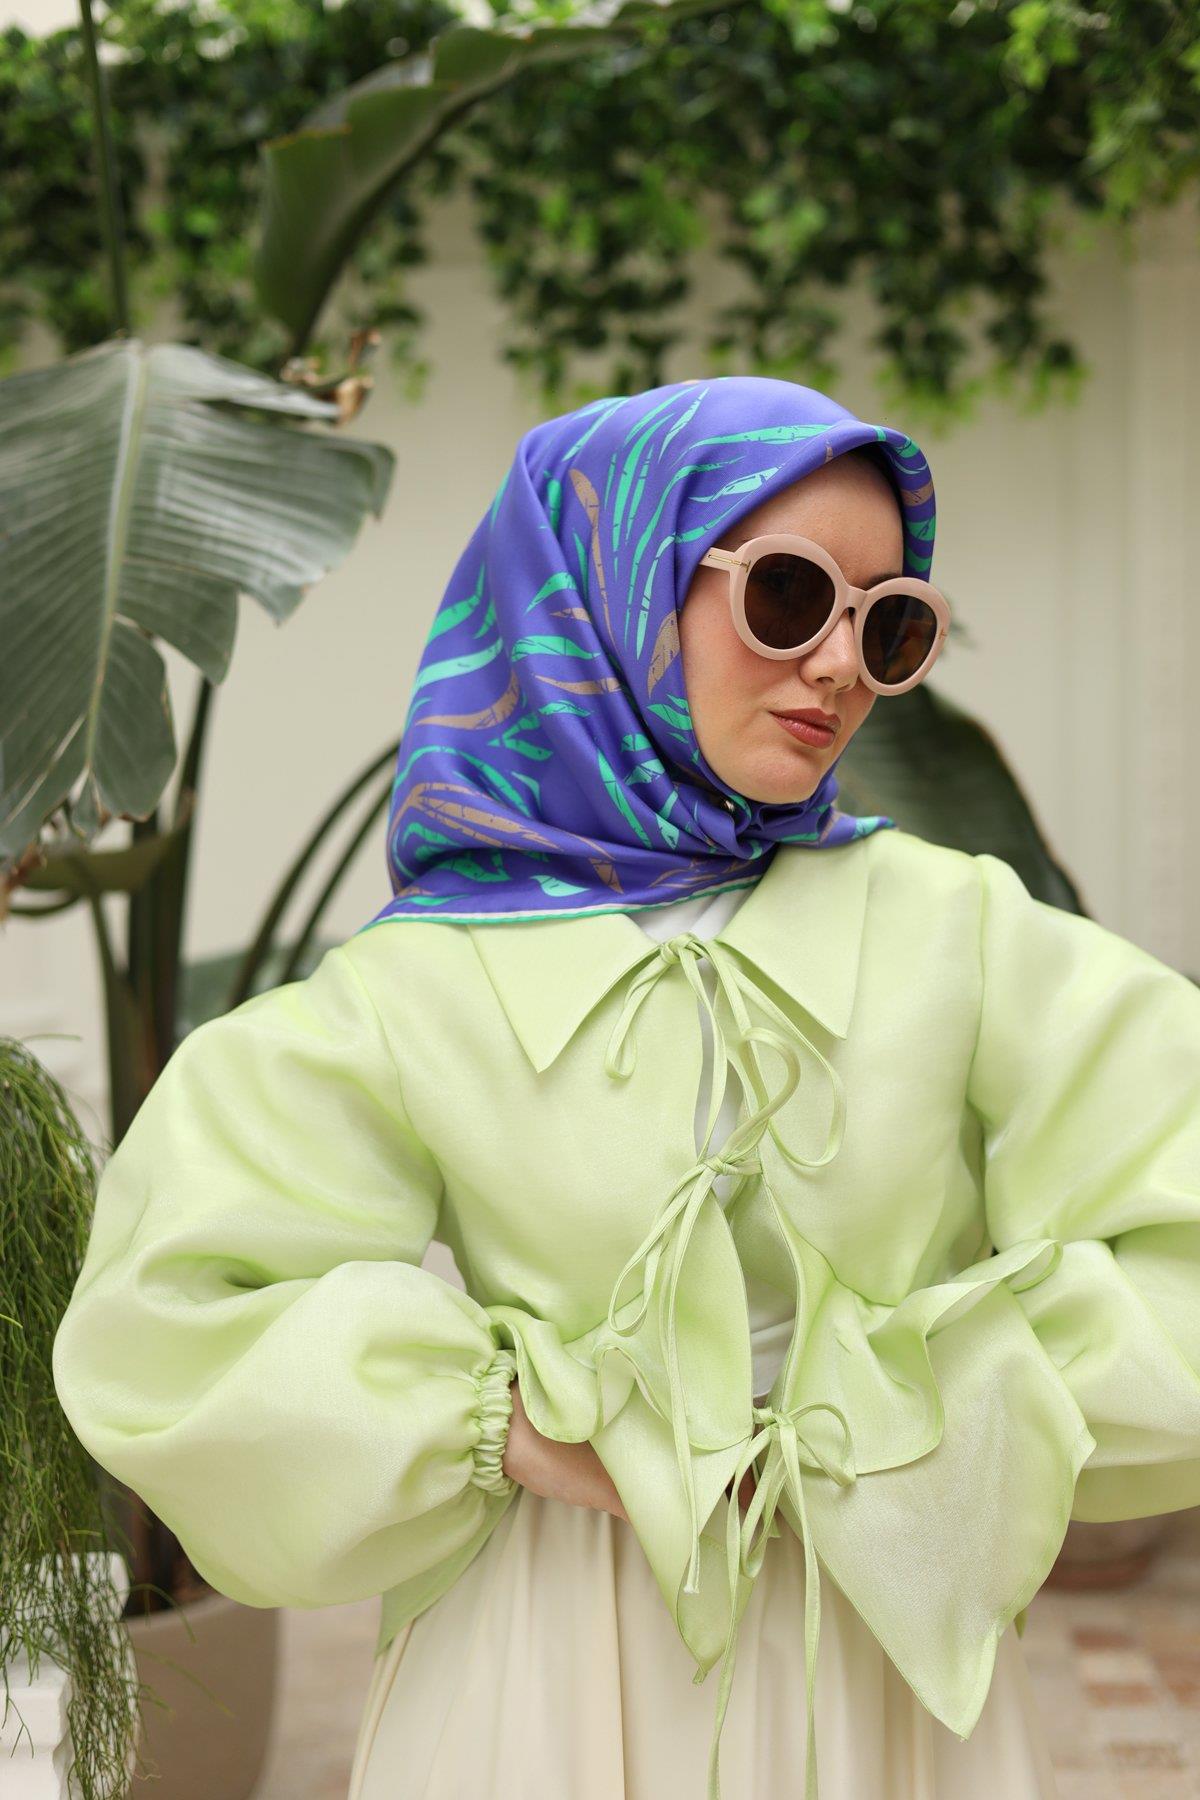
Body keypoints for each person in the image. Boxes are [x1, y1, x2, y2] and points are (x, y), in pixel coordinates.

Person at [51, 377, 1200, 1800]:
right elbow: (169, 1318)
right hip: (543, 1662)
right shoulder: (422, 986)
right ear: (619, 583)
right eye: (789, 596)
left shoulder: (957, 929)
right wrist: (508, 1426)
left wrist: (949, 1404)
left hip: (878, 1655)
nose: (839, 665)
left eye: (889, 623)